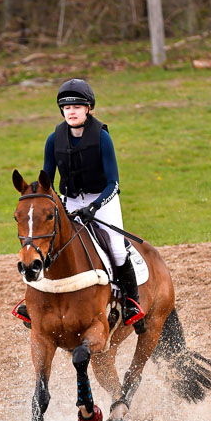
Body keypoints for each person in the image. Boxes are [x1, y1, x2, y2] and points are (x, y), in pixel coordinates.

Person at [14, 78, 145, 333]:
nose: (71, 112)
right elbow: (47, 182)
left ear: (88, 109)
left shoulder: (102, 138)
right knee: (47, 243)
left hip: (102, 199)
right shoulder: (54, 140)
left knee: (117, 250)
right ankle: (32, 301)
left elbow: (113, 183)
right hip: (69, 200)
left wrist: (94, 208)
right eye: (66, 108)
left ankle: (132, 302)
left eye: (77, 107)